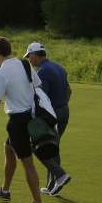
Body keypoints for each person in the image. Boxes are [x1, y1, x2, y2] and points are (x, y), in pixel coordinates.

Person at [0, 37, 65, 203]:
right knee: (8, 149)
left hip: (18, 122)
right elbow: (37, 86)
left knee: (28, 163)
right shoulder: (24, 64)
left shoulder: (1, 73)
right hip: (30, 117)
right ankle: (5, 190)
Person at [25, 41, 72, 195]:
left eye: (29, 56)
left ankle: (58, 178)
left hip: (52, 114)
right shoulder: (59, 67)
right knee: (53, 146)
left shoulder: (43, 72)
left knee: (42, 145)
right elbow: (69, 91)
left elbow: (41, 97)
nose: (29, 60)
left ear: (35, 55)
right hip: (64, 111)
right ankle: (53, 185)